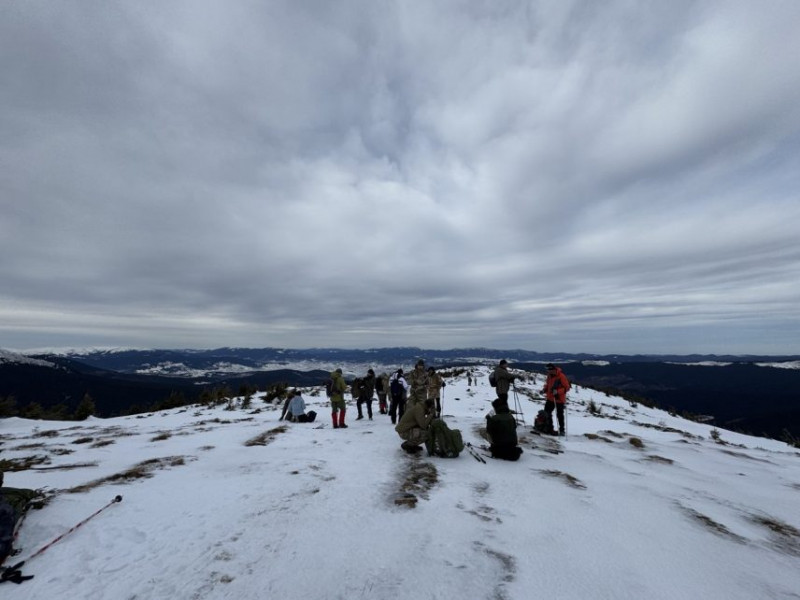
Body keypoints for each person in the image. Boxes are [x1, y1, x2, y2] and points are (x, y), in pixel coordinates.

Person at [543, 363, 570, 436]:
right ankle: (549, 428)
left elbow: (567, 388)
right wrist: (545, 389)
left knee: (559, 415)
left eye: (549, 369)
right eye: (547, 370)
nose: (548, 371)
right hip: (550, 398)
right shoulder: (549, 376)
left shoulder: (561, 376)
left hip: (559, 399)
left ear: (553, 369)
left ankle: (562, 430)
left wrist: (557, 391)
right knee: (546, 413)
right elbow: (548, 384)